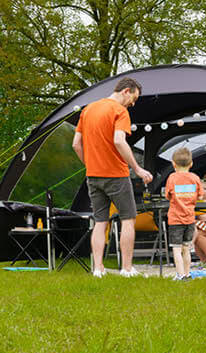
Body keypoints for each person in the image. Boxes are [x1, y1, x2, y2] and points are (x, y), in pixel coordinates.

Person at [72, 77, 153, 278]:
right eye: (133, 99)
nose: (132, 104)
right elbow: (119, 141)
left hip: (93, 176)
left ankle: (98, 269)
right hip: (116, 175)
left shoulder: (88, 109)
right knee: (128, 219)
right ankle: (126, 268)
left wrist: (89, 165)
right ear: (126, 91)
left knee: (100, 222)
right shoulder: (119, 111)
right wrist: (138, 168)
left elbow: (76, 144)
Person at [164, 148, 205, 281]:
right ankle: (187, 274)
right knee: (186, 248)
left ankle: (180, 275)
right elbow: (201, 195)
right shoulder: (195, 178)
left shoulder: (172, 178)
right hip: (190, 219)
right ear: (191, 163)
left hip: (175, 219)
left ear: (173, 164)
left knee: (177, 249)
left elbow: (167, 195)